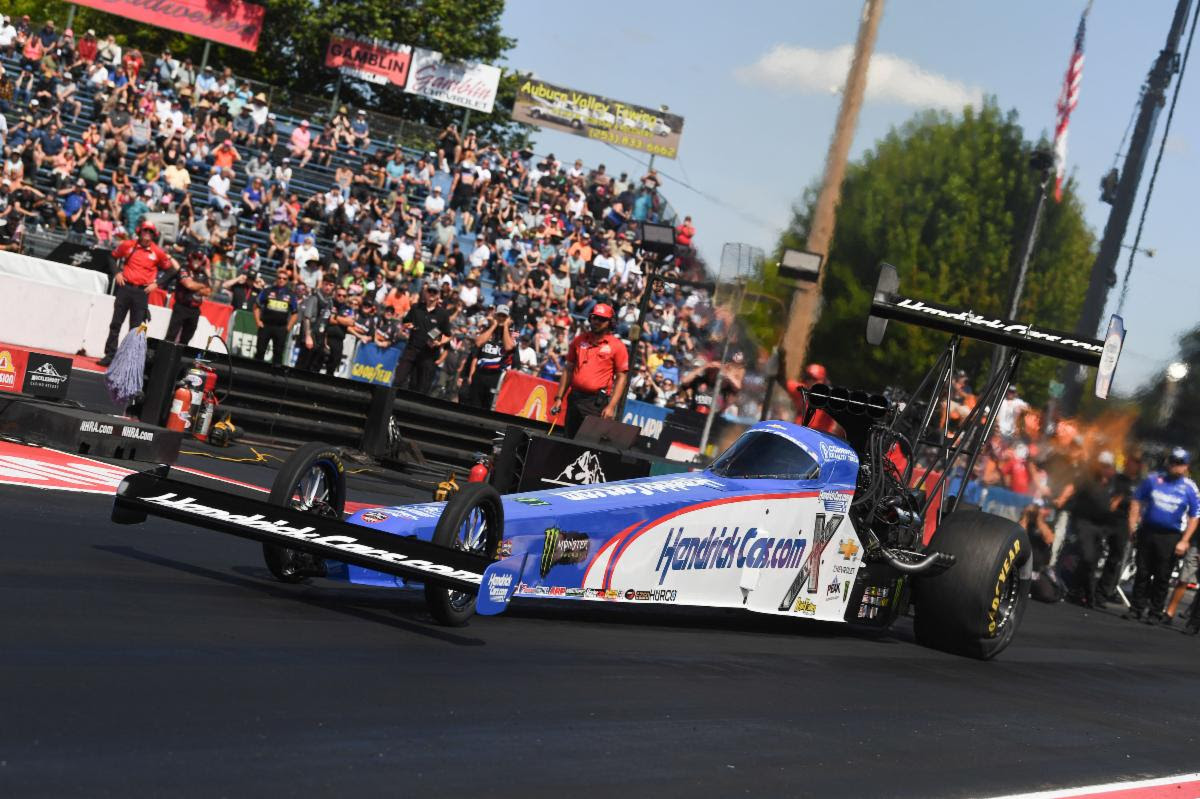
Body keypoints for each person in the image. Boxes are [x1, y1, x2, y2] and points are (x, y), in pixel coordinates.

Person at [1124, 447, 1200, 624]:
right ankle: (1136, 608)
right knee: (1142, 572)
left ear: (1186, 466)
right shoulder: (1153, 479)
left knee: (1162, 575)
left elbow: (1195, 515)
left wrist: (1185, 540)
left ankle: (1155, 612)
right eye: (1173, 462)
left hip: (1171, 536)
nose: (1176, 466)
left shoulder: (1190, 488)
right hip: (1148, 531)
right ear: (1168, 462)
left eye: (1180, 463)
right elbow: (1136, 500)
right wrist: (1132, 526)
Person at [100, 220, 178, 366]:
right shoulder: (128, 245)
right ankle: (110, 355)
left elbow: (171, 271)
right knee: (116, 324)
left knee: (136, 329)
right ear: (140, 231)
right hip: (125, 288)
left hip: (142, 293)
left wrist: (157, 283)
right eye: (145, 230)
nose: (147, 234)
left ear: (154, 235)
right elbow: (112, 257)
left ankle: (127, 360)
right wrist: (117, 273)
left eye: (150, 231)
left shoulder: (157, 252)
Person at [1054, 451, 1123, 608]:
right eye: (1103, 466)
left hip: (1102, 525)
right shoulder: (1088, 478)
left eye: (1108, 466)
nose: (1105, 469)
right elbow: (1072, 487)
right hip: (1084, 522)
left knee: (1093, 560)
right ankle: (1086, 593)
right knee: (1087, 556)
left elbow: (1118, 498)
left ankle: (1081, 593)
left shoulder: (1114, 483)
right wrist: (1062, 499)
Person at [550, 303, 629, 438]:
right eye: (594, 318)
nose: (597, 321)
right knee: (568, 439)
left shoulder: (617, 346)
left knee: (587, 443)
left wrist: (611, 407)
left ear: (610, 323)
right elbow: (568, 369)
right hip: (575, 398)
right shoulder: (579, 340)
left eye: (602, 319)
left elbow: (622, 378)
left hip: (596, 403)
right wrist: (559, 398)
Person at [393, 283, 450, 393]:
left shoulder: (443, 314)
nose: (432, 294)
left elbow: (447, 335)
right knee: (398, 380)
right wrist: (408, 326)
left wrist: (438, 342)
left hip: (428, 354)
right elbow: (405, 322)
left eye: (435, 292)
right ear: (425, 293)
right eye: (430, 291)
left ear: (438, 295)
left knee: (420, 388)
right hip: (411, 349)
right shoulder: (416, 307)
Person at [466, 304, 515, 408]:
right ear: (495, 316)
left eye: (504, 316)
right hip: (480, 373)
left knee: (488, 406)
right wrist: (493, 326)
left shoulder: (512, 333)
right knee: (473, 405)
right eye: (499, 315)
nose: (501, 318)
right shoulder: (487, 328)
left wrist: (505, 327)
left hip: (496, 376)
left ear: (508, 318)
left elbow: (508, 347)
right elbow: (478, 343)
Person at [164, 249, 211, 345]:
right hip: (181, 307)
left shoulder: (203, 274)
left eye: (199, 258)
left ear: (202, 261)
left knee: (186, 339)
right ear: (191, 257)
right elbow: (188, 285)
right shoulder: (184, 269)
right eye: (195, 257)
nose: (196, 260)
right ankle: (163, 353)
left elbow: (208, 291)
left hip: (195, 310)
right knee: (171, 336)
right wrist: (201, 286)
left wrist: (195, 286)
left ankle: (179, 354)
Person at [253, 269, 297, 366]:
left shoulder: (291, 294)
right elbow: (256, 306)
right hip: (266, 326)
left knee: (278, 353)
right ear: (276, 278)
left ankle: (275, 374)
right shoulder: (267, 291)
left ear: (287, 280)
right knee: (260, 350)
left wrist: (288, 328)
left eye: (284, 278)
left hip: (281, 328)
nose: (281, 280)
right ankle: (256, 370)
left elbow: (295, 313)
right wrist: (258, 321)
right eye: (279, 278)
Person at [296, 276, 334, 372]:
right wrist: (307, 337)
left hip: (320, 338)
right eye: (326, 284)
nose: (328, 287)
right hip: (311, 335)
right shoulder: (314, 297)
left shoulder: (330, 301)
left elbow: (326, 322)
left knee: (314, 367)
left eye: (331, 285)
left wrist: (325, 342)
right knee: (302, 366)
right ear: (322, 284)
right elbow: (307, 318)